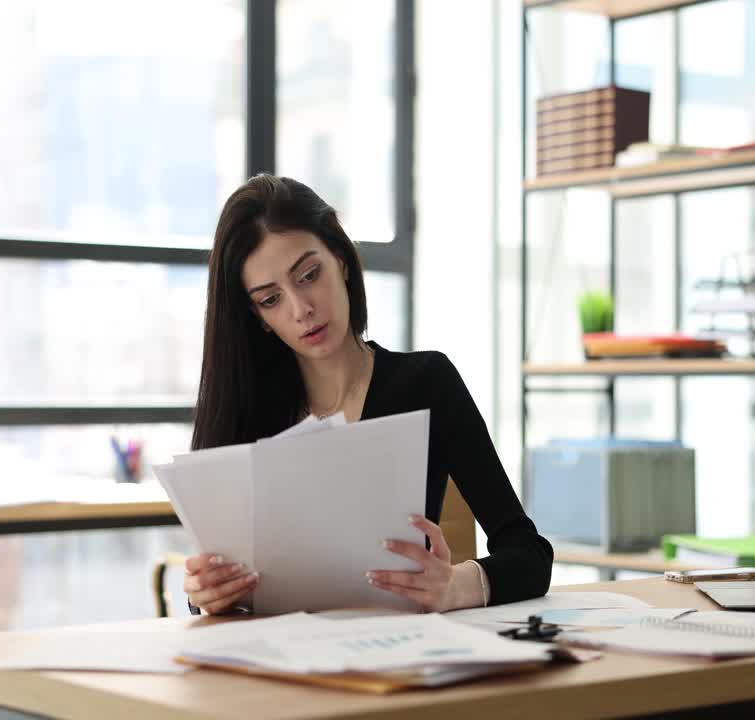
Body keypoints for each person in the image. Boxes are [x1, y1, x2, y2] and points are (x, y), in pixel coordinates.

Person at [182, 174, 552, 614]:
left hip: (396, 655)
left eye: (308, 275)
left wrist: (455, 586)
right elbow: (216, 579)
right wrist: (205, 594)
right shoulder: (246, 408)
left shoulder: (426, 382)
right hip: (276, 663)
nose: (301, 309)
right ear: (257, 317)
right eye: (270, 299)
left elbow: (530, 556)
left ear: (340, 258)